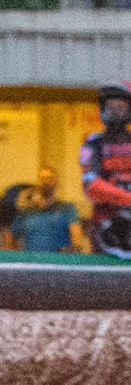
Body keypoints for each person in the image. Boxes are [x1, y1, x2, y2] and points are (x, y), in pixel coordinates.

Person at [80, 83, 131, 259]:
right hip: (105, 226)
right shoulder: (93, 143)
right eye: (110, 107)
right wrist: (126, 198)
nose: (115, 111)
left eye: (120, 107)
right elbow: (90, 185)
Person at [9, 167, 79, 253]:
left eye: (49, 178)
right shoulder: (26, 212)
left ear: (56, 182)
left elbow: (76, 236)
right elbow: (11, 237)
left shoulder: (67, 208)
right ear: (37, 183)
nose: (45, 182)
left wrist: (73, 250)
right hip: (32, 263)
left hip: (57, 262)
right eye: (42, 179)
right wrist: (14, 259)